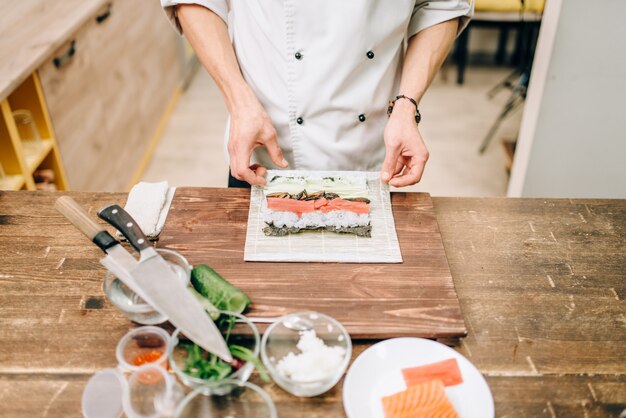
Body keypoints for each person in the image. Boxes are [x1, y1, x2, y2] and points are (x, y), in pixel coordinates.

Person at [161, 1, 473, 187]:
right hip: (264, 144)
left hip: (370, 149)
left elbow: (440, 5)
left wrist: (407, 105)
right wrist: (238, 101)